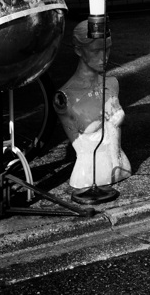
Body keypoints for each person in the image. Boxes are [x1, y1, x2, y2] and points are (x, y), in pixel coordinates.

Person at [53, 20, 132, 189]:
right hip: (88, 176)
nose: (104, 56)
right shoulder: (66, 97)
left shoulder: (112, 84)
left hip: (123, 167)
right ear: (78, 50)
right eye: (96, 50)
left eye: (108, 48)